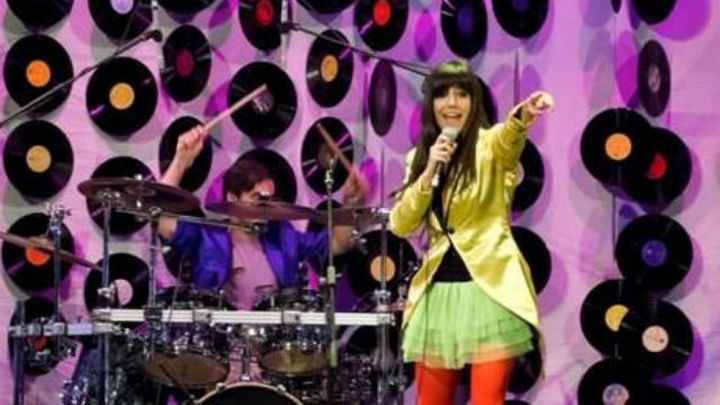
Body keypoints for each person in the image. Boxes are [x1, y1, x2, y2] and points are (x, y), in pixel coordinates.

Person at [389, 60, 553, 405]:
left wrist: (525, 114)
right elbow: (401, 224)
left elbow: (509, 137)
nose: (452, 103)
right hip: (437, 294)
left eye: (461, 94)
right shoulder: (418, 157)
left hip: (487, 289)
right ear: (431, 104)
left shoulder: (490, 145)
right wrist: (428, 170)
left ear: (473, 102)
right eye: (443, 95)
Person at [158, 125, 365, 309]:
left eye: (269, 198)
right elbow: (161, 220)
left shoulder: (282, 236)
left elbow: (338, 243)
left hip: (274, 339)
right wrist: (181, 160)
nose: (265, 205)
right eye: (257, 197)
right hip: (221, 338)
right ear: (232, 198)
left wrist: (349, 203)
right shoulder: (209, 238)